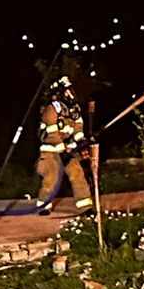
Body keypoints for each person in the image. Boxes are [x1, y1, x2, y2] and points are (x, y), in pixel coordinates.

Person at [35, 72, 92, 215]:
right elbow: (52, 134)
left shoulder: (74, 109)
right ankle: (43, 206)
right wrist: (62, 152)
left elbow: (78, 127)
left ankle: (85, 207)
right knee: (51, 179)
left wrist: (81, 140)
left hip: (69, 150)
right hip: (51, 151)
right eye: (67, 91)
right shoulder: (51, 109)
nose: (71, 94)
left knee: (78, 176)